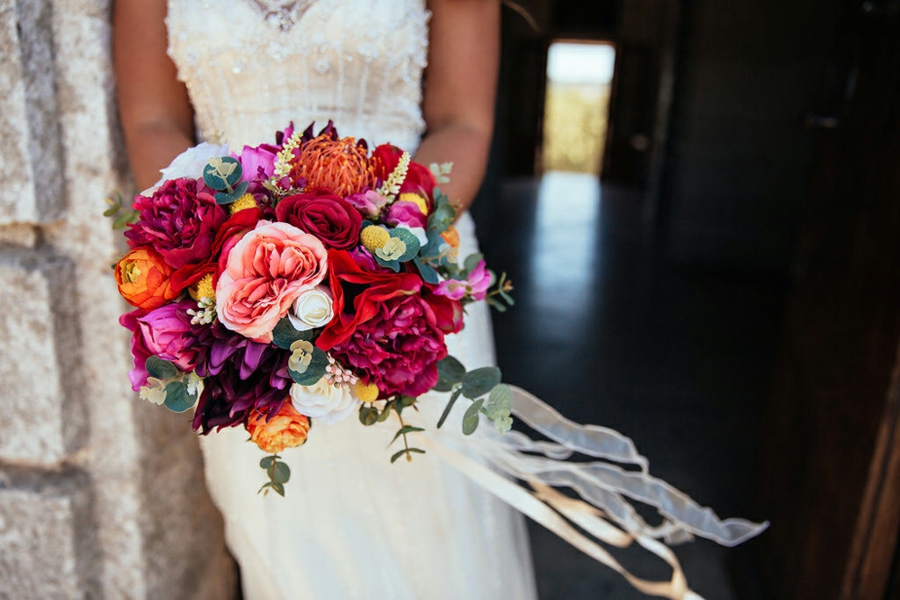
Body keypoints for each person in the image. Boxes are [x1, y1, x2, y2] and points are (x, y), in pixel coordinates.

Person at [114, 1, 539, 598]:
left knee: (429, 537)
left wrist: (385, 252)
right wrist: (223, 254)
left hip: (401, 283)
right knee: (289, 547)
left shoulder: (397, 258)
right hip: (239, 305)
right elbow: (152, 121)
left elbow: (462, 122)